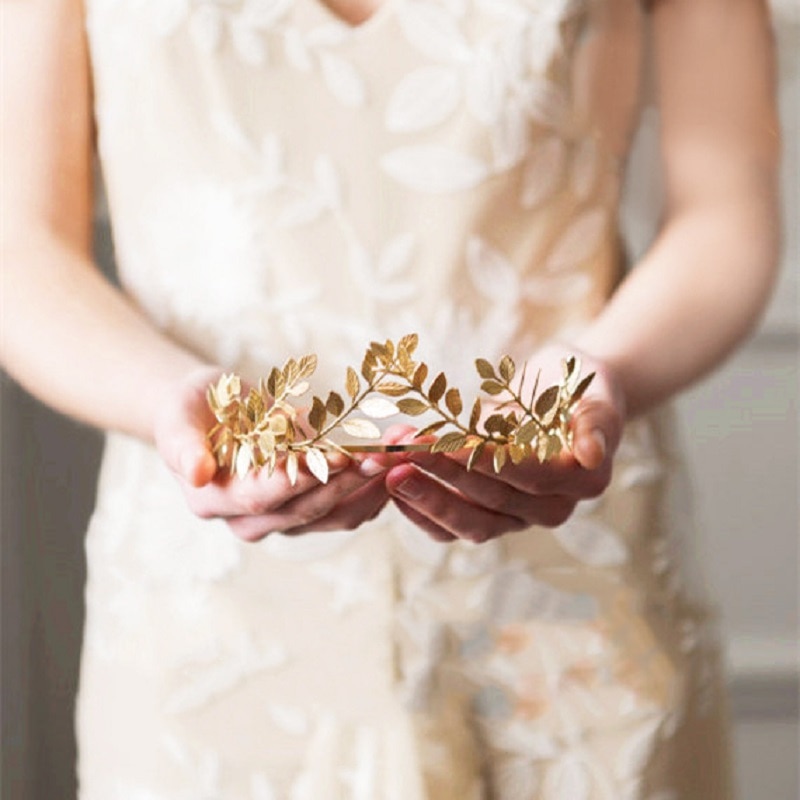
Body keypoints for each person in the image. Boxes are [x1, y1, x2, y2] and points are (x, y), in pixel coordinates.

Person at [1, 0, 780, 797]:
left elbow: (726, 207)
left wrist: (598, 372)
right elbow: (20, 246)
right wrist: (168, 399)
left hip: (576, 601)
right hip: (209, 616)